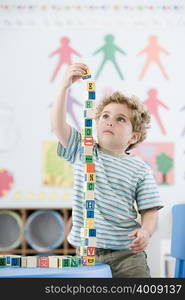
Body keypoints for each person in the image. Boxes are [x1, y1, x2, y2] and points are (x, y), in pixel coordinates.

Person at [50, 63, 163, 278]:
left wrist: (146, 231)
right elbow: (57, 125)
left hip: (128, 255)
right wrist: (64, 86)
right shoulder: (83, 150)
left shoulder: (140, 169)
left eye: (120, 119)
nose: (110, 121)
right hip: (87, 255)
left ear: (133, 137)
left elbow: (150, 210)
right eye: (105, 116)